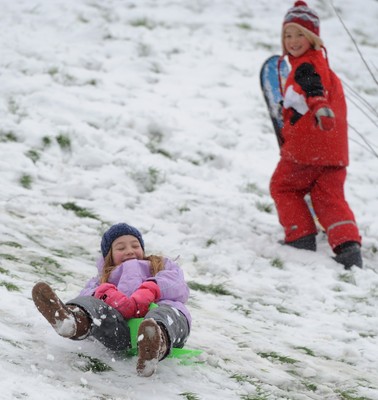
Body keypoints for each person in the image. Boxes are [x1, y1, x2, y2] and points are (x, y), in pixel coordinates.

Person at [269, 1, 362, 269]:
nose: (293, 41)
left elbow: (312, 87)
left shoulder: (305, 66)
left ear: (313, 37)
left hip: (308, 148)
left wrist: (319, 106)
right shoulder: (324, 64)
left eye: (300, 34)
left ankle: (300, 235)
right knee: (328, 196)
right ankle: (348, 248)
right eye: (288, 35)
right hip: (334, 150)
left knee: (284, 186)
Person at [32, 222, 191, 377]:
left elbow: (178, 284)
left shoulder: (158, 265)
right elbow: (86, 295)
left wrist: (152, 287)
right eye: (121, 248)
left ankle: (155, 344)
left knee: (166, 315)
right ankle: (73, 321)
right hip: (120, 330)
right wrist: (103, 293)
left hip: (162, 316)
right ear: (109, 255)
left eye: (135, 246)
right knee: (92, 307)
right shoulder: (102, 279)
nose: (129, 251)